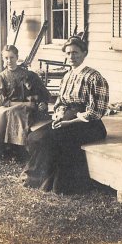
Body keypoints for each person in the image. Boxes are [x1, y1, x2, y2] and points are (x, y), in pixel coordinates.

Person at [20, 32, 109, 194]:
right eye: (68, 53)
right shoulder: (67, 76)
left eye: (75, 52)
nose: (71, 56)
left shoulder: (94, 77)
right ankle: (36, 176)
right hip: (68, 118)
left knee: (54, 139)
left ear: (84, 53)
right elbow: (61, 101)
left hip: (89, 125)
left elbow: (96, 112)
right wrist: (59, 114)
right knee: (35, 137)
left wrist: (69, 122)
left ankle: (58, 184)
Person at [0, 45, 50, 160]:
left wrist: (43, 103)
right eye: (6, 58)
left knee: (15, 113)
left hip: (32, 109)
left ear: (17, 57)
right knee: (11, 113)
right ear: (3, 59)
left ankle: (17, 149)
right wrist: (22, 104)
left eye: (12, 57)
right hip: (13, 109)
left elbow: (44, 94)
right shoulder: (1, 77)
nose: (9, 61)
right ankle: (11, 148)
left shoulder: (29, 75)